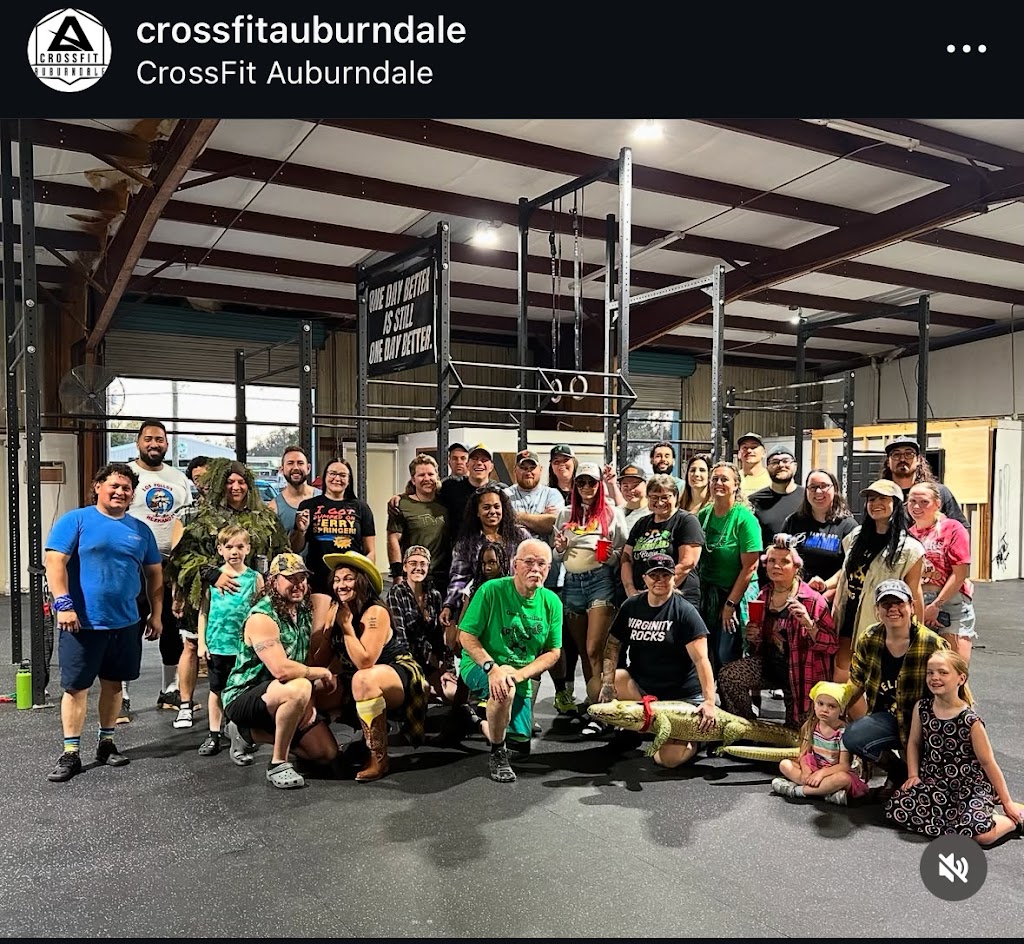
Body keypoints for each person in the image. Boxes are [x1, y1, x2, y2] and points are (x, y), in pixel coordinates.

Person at [44, 463, 163, 782]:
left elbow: (155, 574)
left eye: (126, 488)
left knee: (114, 685)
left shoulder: (141, 531)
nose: (120, 492)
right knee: (76, 688)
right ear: (98, 486)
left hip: (125, 623)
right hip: (82, 623)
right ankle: (71, 752)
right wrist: (64, 604)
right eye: (114, 485)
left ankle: (106, 743)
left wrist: (156, 613)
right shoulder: (76, 520)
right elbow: (54, 561)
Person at [221, 553, 339, 789]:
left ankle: (247, 733)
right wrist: (321, 673)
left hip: (282, 693)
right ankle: (278, 763)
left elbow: (326, 604)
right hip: (246, 695)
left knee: (325, 753)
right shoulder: (262, 617)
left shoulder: (302, 610)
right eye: (290, 578)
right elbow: (282, 670)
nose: (298, 584)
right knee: (300, 686)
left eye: (302, 578)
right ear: (273, 581)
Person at [884, 650, 1024, 845]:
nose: (935, 677)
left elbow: (988, 762)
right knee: (897, 809)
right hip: (935, 782)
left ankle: (1011, 822)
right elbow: (914, 743)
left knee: (981, 836)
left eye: (943, 672)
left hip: (969, 786)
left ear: (961, 678)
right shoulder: (922, 708)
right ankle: (962, 820)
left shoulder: (970, 721)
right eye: (930, 672)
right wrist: (913, 775)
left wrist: (1006, 801)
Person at [318, 551, 430, 782]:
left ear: (362, 581)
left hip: (396, 672)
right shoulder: (336, 610)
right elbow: (320, 661)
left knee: (364, 679)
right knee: (314, 689)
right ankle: (320, 751)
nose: (341, 585)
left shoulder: (375, 612)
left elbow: (365, 662)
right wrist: (328, 632)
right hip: (356, 678)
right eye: (337, 580)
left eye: (348, 578)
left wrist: (347, 628)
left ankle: (378, 758)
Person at [458, 539, 562, 783]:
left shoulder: (552, 602)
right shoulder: (491, 590)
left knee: (520, 746)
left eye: (542, 564)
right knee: (504, 685)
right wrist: (491, 668)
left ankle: (478, 721)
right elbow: (466, 635)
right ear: (516, 565)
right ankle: (497, 754)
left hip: (519, 675)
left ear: (549, 569)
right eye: (529, 562)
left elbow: (553, 652)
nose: (535, 569)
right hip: (479, 665)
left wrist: (521, 674)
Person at [597, 553, 717, 764]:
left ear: (674, 578)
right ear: (644, 578)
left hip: (682, 696)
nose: (660, 580)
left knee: (668, 760)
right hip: (644, 689)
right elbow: (613, 645)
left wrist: (709, 701)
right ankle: (635, 728)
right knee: (596, 686)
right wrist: (607, 683)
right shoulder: (631, 606)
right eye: (654, 575)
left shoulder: (685, 612)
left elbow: (702, 660)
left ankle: (701, 739)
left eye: (665, 575)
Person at [841, 579, 948, 797]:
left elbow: (953, 689)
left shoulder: (932, 644)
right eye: (886, 604)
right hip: (887, 720)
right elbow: (856, 681)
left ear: (911, 606)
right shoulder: (869, 638)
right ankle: (898, 771)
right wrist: (836, 707)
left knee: (928, 791)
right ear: (877, 609)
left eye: (899, 603)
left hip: (924, 722)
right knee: (853, 736)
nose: (893, 609)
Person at [718, 535, 837, 727]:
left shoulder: (812, 600)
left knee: (798, 730)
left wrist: (809, 624)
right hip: (770, 667)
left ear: (796, 567)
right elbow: (759, 644)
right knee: (729, 676)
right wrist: (753, 637)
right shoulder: (764, 595)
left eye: (784, 562)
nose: (777, 566)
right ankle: (746, 730)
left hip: (801, 674)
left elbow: (832, 646)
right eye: (772, 561)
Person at [125, 420, 193, 714]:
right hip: (134, 564)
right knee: (130, 627)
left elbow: (186, 519)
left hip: (171, 565)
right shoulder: (127, 474)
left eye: (160, 439)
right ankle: (122, 695)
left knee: (171, 627)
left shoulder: (178, 478)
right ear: (138, 442)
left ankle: (169, 691)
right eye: (148, 438)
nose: (154, 444)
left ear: (167, 444)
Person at [553, 463, 629, 714]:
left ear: (599, 485)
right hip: (572, 583)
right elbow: (556, 555)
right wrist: (560, 549)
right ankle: (592, 700)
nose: (586, 487)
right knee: (584, 651)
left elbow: (622, 551)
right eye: (581, 482)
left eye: (592, 482)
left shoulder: (612, 512)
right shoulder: (566, 514)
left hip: (600, 580)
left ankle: (601, 706)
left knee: (594, 647)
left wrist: (609, 556)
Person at [831, 479, 925, 683]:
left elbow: (914, 592)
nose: (875, 504)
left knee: (872, 676)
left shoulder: (910, 549)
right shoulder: (855, 537)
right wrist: (825, 585)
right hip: (848, 615)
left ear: (896, 503)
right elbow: (845, 573)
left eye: (883, 498)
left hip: (881, 620)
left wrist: (917, 634)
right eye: (871, 499)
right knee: (841, 673)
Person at [194, 524, 263, 756]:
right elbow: (203, 612)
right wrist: (202, 642)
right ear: (220, 549)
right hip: (218, 645)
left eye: (240, 546)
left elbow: (261, 611)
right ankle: (213, 734)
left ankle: (239, 732)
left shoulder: (255, 578)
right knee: (216, 690)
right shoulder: (213, 580)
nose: (235, 551)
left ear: (248, 549)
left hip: (243, 648)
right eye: (229, 547)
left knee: (243, 690)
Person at [291, 456, 375, 628]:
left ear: (349, 480)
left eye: (343, 475)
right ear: (325, 477)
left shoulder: (361, 508)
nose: (337, 478)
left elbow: (370, 550)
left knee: (350, 627)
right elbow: (296, 547)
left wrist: (365, 579)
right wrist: (301, 530)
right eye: (332, 473)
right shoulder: (308, 506)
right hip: (318, 580)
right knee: (320, 631)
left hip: (350, 583)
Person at [696, 461, 761, 674]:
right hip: (709, 593)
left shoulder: (745, 519)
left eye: (724, 479)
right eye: (714, 479)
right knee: (708, 651)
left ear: (736, 485)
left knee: (726, 653)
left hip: (737, 593)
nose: (718, 483)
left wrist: (730, 605)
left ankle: (734, 693)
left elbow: (750, 567)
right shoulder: (704, 515)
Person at [907, 481, 977, 662]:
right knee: (923, 667)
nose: (916, 507)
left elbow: (960, 573)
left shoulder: (953, 528)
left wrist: (936, 605)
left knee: (953, 666)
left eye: (924, 502)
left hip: (950, 602)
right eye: (912, 501)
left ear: (937, 504)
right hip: (919, 603)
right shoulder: (908, 535)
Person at [443, 483, 530, 626]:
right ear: (477, 512)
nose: (492, 511)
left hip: (518, 603)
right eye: (486, 507)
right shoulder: (466, 543)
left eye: (496, 506)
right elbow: (459, 578)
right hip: (482, 605)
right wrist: (449, 605)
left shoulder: (520, 536)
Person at [770, 680, 869, 806]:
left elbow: (844, 766)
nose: (824, 710)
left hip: (832, 772)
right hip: (815, 769)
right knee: (785, 764)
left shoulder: (843, 732)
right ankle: (826, 792)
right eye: (820, 704)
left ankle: (798, 791)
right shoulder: (811, 726)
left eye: (831, 706)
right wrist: (806, 771)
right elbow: (804, 755)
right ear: (814, 705)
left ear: (841, 710)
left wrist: (821, 774)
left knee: (843, 778)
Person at [620, 474, 704, 608]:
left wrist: (656, 590)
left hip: (677, 598)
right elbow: (626, 558)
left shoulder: (687, 521)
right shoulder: (641, 523)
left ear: (676, 496)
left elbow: (688, 563)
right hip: (640, 598)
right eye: (654, 497)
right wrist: (630, 590)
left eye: (665, 497)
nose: (659, 502)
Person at [781, 469, 857, 603]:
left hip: (831, 598)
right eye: (813, 487)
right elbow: (782, 559)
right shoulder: (793, 522)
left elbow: (852, 566)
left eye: (824, 486)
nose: (818, 491)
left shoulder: (848, 526)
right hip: (795, 596)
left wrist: (825, 586)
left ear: (835, 488)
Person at [385, 545, 446, 698]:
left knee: (451, 692)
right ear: (405, 567)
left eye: (423, 564)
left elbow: (438, 637)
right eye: (413, 563)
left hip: (429, 662)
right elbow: (400, 639)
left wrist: (443, 667)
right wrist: (418, 670)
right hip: (405, 661)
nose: (418, 568)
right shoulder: (396, 593)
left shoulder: (434, 595)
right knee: (422, 689)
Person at [386, 454, 452, 595]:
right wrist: (398, 575)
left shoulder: (447, 502)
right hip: (413, 577)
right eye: (421, 475)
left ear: (437, 476)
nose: (427, 479)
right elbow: (393, 540)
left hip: (443, 577)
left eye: (431, 474)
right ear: (413, 479)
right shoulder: (401, 505)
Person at [879, 436, 968, 528]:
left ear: (918, 460)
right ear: (888, 462)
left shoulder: (939, 492)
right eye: (896, 455)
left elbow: (961, 529)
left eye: (909, 454)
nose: (902, 459)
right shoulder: (879, 495)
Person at [748, 445, 804, 549]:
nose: (781, 465)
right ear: (767, 468)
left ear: (795, 466)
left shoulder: (808, 498)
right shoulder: (753, 502)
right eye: (775, 462)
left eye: (786, 461)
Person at [268, 445, 320, 535]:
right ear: (282, 470)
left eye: (300, 463)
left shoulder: (323, 499)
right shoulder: (273, 508)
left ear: (308, 468)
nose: (296, 467)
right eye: (290, 463)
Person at [616, 464, 649, 532]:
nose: (631, 490)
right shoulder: (615, 512)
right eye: (625, 486)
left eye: (635, 485)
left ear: (646, 486)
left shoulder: (653, 513)